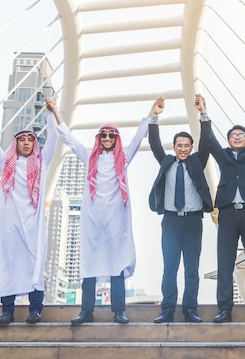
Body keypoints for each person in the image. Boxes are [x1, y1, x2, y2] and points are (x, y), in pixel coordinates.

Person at [55, 97, 164, 325]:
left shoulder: (122, 159)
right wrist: (56, 111)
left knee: (117, 263)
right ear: (99, 138)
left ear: (116, 139)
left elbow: (137, 137)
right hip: (93, 219)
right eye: (103, 135)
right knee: (89, 264)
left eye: (111, 136)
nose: (106, 139)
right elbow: (69, 139)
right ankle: (86, 312)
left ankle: (119, 311)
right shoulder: (89, 157)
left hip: (117, 218)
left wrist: (152, 112)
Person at [0, 99, 59, 325]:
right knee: (8, 264)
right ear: (15, 144)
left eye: (29, 140)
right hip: (10, 226)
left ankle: (35, 310)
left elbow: (53, 138)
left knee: (35, 266)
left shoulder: (42, 163)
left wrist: (50, 114)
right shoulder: (6, 162)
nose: (26, 143)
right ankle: (7, 311)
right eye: (22, 140)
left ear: (35, 144)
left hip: (33, 226)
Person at [196, 94, 245, 323]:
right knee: (225, 262)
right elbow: (209, 139)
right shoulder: (223, 155)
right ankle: (224, 309)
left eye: (241, 135)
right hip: (226, 212)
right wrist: (203, 113)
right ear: (229, 140)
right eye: (233, 135)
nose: (237, 137)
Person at [149, 104, 213, 324]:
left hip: (193, 221)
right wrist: (154, 118)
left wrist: (203, 114)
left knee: (192, 269)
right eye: (179, 145)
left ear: (191, 147)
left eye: (187, 145)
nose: (183, 149)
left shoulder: (197, 161)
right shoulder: (166, 162)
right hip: (170, 221)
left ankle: (190, 310)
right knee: (170, 268)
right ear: (174, 147)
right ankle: (167, 309)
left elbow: (206, 143)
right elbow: (155, 144)